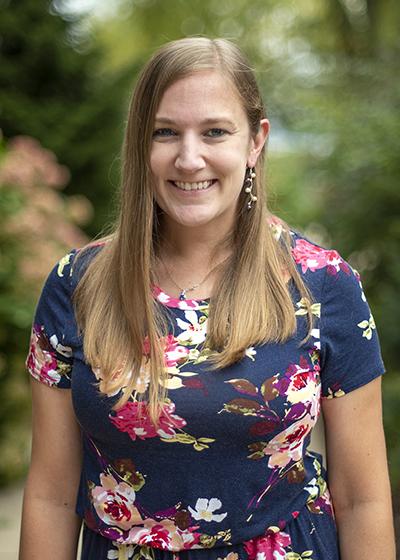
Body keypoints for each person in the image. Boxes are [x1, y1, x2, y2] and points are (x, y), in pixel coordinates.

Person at [19, 37, 395, 560]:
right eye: (165, 132)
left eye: (214, 131)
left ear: (255, 141)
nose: (189, 158)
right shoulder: (77, 284)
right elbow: (51, 496)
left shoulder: (323, 284)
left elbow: (362, 500)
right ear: (139, 144)